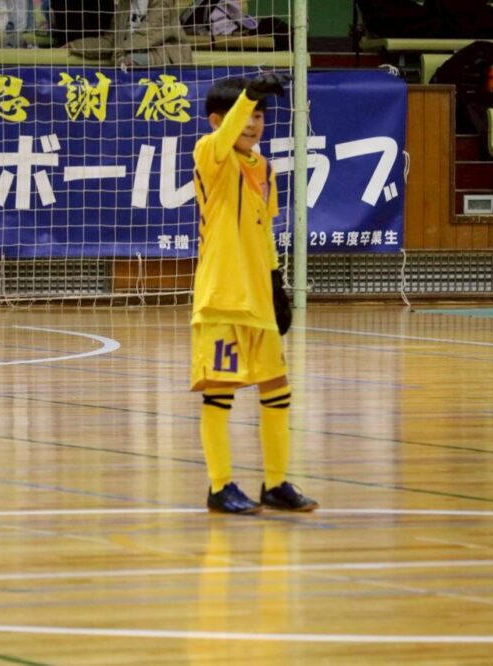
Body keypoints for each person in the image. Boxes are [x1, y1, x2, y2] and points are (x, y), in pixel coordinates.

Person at [190, 72, 318, 515]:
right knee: (220, 392)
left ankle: (276, 483)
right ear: (217, 121)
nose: (252, 123)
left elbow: (265, 232)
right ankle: (219, 486)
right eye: (246, 115)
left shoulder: (264, 168)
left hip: (258, 297)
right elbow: (228, 133)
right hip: (221, 298)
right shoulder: (210, 152)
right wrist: (248, 95)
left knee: (277, 388)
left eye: (260, 116)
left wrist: (276, 281)